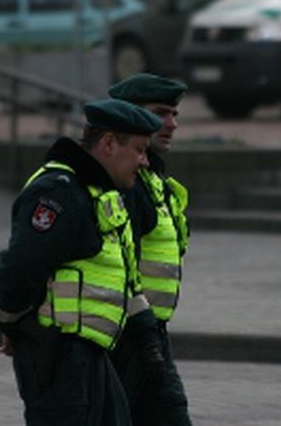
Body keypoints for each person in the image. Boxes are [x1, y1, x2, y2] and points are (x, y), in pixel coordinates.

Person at [0, 99, 166, 425]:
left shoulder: (97, 192)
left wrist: (147, 337)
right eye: (140, 150)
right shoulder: (61, 191)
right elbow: (19, 270)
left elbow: (119, 276)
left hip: (90, 352)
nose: (144, 162)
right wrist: (11, 324)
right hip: (61, 356)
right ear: (110, 143)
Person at [107, 73, 192, 425]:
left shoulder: (155, 181)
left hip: (150, 332)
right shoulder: (126, 183)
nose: (170, 123)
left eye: (174, 114)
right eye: (160, 113)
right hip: (126, 334)